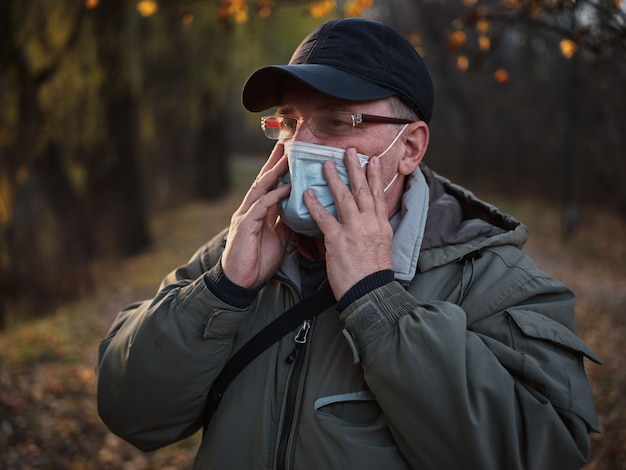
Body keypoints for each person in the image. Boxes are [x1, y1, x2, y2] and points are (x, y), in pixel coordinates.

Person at [96, 18, 600, 469]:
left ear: (409, 148)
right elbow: (131, 413)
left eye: (337, 122)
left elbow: (541, 450)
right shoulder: (237, 254)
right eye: (289, 122)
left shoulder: (499, 284)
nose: (301, 146)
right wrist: (225, 289)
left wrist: (376, 299)